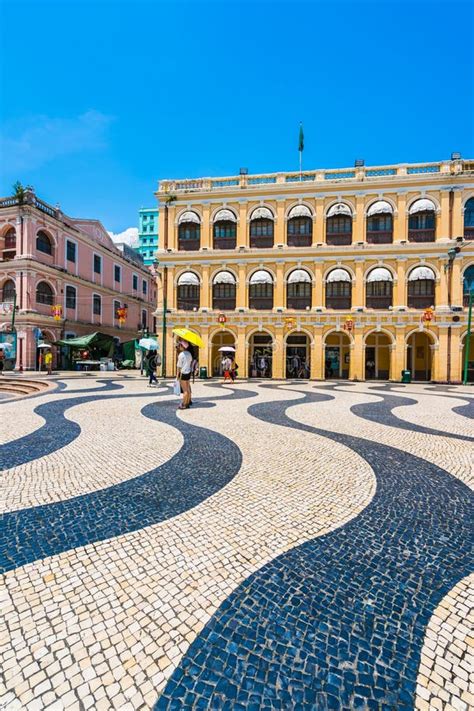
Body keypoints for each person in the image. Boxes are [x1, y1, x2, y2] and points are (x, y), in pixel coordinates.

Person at [176, 339, 193, 410]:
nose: (179, 347)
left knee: (185, 390)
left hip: (183, 373)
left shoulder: (181, 355)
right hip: (188, 372)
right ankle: (188, 402)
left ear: (182, 346)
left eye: (180, 345)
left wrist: (177, 375)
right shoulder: (189, 354)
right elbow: (190, 362)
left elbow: (179, 366)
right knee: (188, 388)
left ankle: (184, 404)